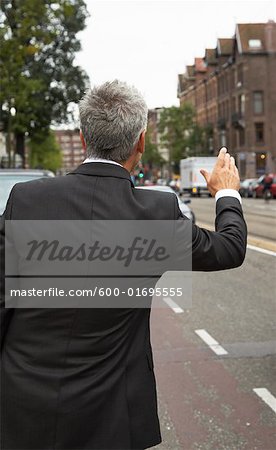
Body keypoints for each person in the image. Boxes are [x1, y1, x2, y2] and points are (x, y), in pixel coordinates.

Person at [0, 80, 247, 450]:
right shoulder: (156, 215)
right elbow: (229, 248)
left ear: (84, 139)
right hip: (111, 416)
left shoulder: (26, 200)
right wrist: (226, 191)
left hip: (22, 406)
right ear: (141, 143)